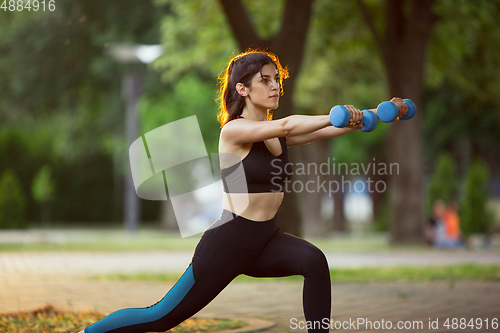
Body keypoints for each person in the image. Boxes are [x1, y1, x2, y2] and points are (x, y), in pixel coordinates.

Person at [78, 49, 408, 333]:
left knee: (314, 262)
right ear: (243, 89)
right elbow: (289, 124)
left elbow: (328, 129)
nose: (275, 85)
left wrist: (377, 113)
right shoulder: (235, 131)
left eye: (276, 79)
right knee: (161, 317)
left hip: (266, 239)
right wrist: (337, 114)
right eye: (265, 79)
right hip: (228, 242)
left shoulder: (276, 134)